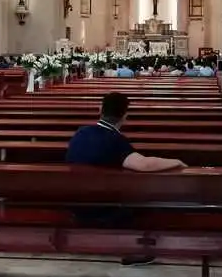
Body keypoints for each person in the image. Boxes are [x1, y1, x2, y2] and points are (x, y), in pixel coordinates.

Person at [65, 92, 187, 265]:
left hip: (75, 202)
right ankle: (136, 248)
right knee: (148, 200)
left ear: (100, 110)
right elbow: (143, 165)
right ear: (125, 116)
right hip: (102, 208)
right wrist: (177, 162)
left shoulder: (81, 133)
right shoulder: (115, 139)